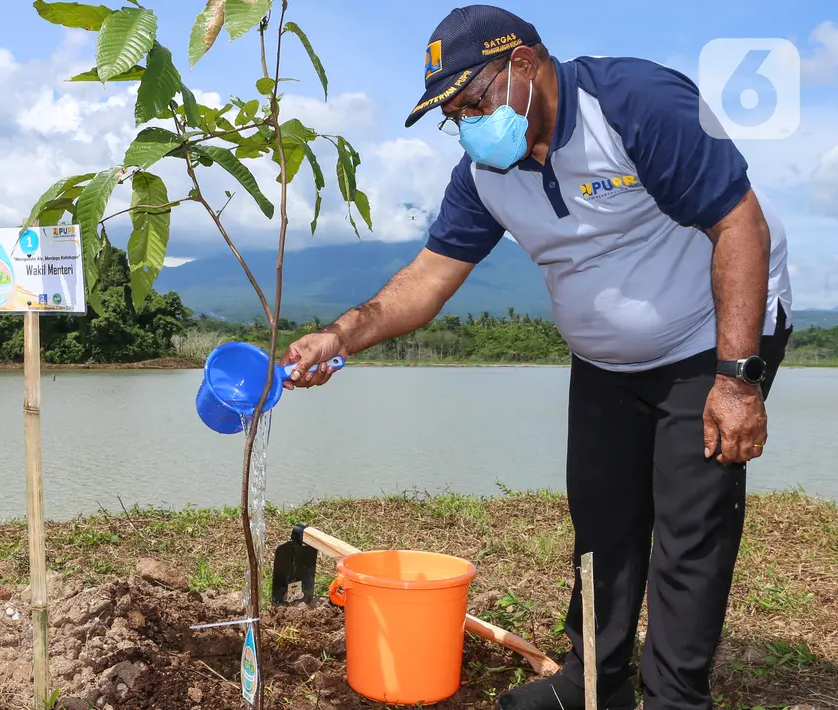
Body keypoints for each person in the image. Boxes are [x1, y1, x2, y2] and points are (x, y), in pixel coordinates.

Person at [279, 6, 792, 710]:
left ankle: (675, 696)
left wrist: (736, 380)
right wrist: (339, 335)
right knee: (602, 519)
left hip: (709, 341)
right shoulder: (486, 173)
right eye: (451, 114)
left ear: (523, 64)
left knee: (688, 527)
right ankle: (593, 685)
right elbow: (427, 280)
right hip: (605, 363)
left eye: (472, 101)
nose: (466, 124)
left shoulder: (637, 104)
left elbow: (740, 224)